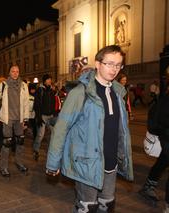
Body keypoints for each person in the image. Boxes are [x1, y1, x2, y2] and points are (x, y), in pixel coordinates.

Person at [46, 45, 133, 212]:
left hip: (111, 162)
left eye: (118, 65)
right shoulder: (80, 92)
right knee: (87, 207)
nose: (114, 69)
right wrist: (53, 162)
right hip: (86, 162)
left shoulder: (118, 93)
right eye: (109, 63)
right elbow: (61, 127)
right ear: (98, 64)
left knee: (107, 205)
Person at [0, 64, 29, 178]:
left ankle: (19, 162)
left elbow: (26, 103)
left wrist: (26, 119)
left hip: (19, 119)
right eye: (13, 71)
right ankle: (3, 167)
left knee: (20, 142)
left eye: (17, 71)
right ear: (9, 73)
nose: (15, 73)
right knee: (7, 143)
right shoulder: (3, 85)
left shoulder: (24, 85)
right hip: (7, 119)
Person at [139, 86, 169, 212]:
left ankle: (148, 186)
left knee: (162, 161)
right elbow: (159, 120)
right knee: (163, 161)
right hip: (167, 137)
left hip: (166, 138)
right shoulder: (166, 100)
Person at [33, 74, 56, 161]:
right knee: (40, 135)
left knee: (52, 133)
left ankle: (50, 150)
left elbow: (53, 103)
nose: (50, 80)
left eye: (50, 79)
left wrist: (53, 113)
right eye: (48, 79)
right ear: (44, 81)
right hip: (42, 115)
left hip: (50, 115)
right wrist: (39, 117)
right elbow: (37, 105)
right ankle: (36, 150)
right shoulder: (40, 90)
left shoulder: (51, 90)